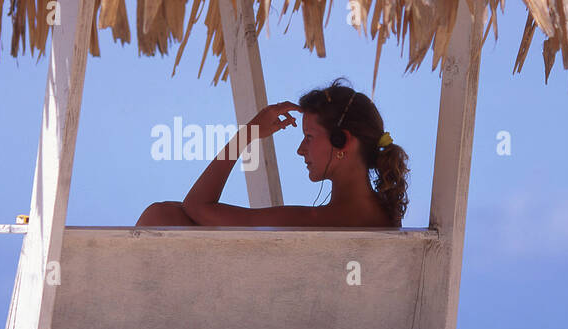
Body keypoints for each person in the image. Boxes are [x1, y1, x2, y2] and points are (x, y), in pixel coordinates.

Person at [135, 79, 409, 228]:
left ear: (342, 141)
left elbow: (196, 206)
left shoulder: (315, 222)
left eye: (309, 137)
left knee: (162, 216)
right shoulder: (386, 218)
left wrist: (249, 133)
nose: (300, 150)